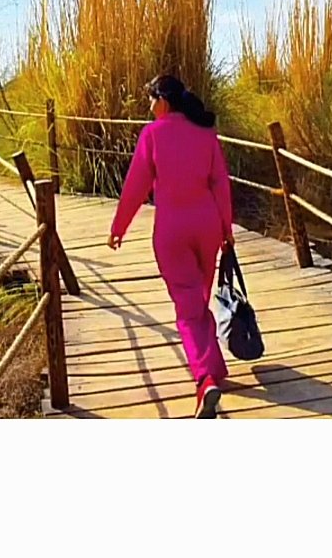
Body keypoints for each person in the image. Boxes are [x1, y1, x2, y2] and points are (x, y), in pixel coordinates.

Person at [107, 74, 234, 419]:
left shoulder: (153, 135)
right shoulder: (206, 134)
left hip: (171, 231)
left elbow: (135, 185)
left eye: (150, 100)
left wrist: (119, 227)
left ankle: (204, 380)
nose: (149, 107)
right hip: (207, 226)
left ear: (163, 100)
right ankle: (215, 367)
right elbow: (220, 183)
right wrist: (227, 228)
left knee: (188, 309)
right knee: (198, 301)